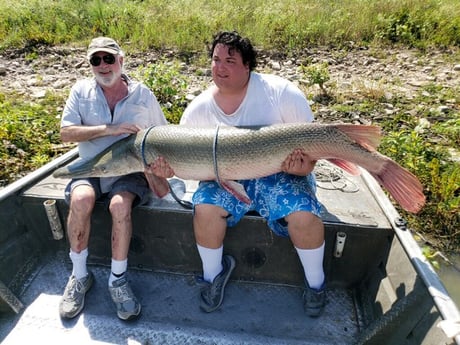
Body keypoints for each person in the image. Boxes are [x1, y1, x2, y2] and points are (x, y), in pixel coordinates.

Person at [169, 31, 326, 316]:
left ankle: (316, 285)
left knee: (304, 215)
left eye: (230, 60)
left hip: (279, 174)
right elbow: (191, 165)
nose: (220, 67)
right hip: (226, 177)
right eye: (216, 60)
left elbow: (310, 151)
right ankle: (213, 276)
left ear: (248, 65)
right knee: (204, 208)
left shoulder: (281, 93)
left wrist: (304, 167)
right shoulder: (197, 111)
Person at [58, 37, 171, 321]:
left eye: (108, 59)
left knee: (119, 206)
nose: (103, 65)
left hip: (129, 171)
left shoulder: (142, 94)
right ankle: (80, 275)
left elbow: (162, 134)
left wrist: (158, 167)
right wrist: (110, 129)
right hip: (91, 167)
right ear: (90, 65)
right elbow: (67, 132)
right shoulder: (80, 91)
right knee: (81, 199)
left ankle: (117, 280)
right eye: (96, 60)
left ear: (121, 61)